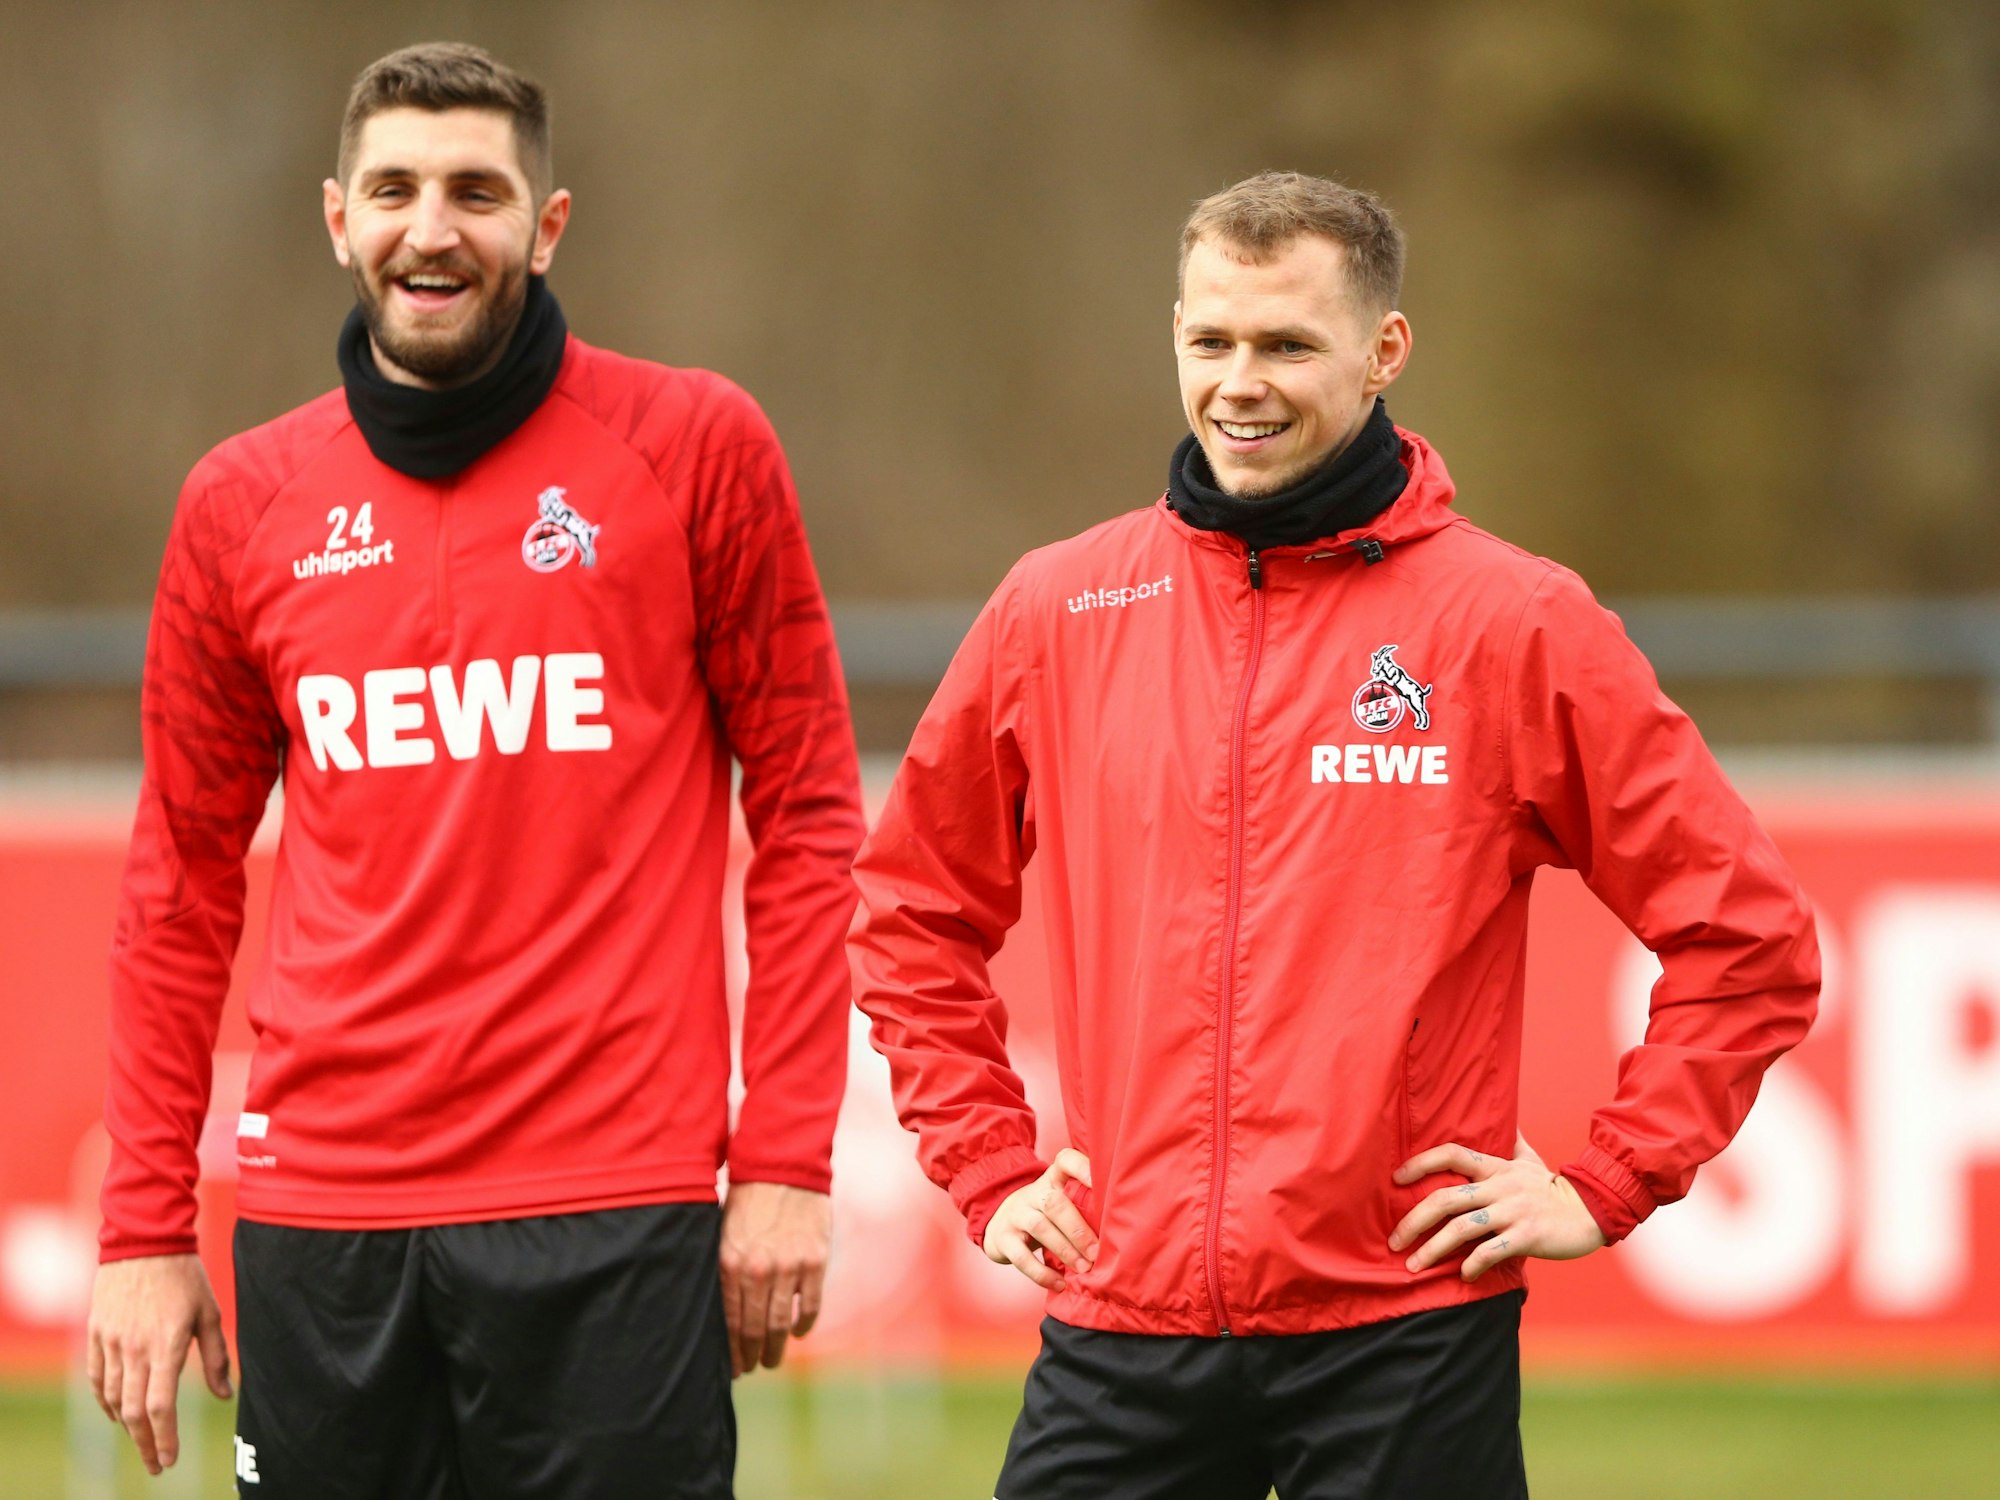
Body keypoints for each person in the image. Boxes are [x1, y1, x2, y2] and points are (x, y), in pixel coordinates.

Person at [849, 171, 1820, 1498]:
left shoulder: (1512, 623)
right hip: (1120, 1316)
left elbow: (1747, 935)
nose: (1240, 382)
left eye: (1288, 345)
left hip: (1402, 1335)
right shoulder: (1059, 608)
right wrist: (986, 1166)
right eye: (1212, 342)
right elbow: (910, 910)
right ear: (1176, 335)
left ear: (1383, 352)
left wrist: (1605, 1181)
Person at [86, 42, 863, 1497]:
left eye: (475, 192)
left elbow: (815, 818)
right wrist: (139, 1231)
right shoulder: (241, 503)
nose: (430, 228)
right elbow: (178, 884)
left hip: (613, 1215)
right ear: (337, 218)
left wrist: (785, 1162)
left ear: (546, 224)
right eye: (393, 188)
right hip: (325, 1225)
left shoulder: (693, 447)